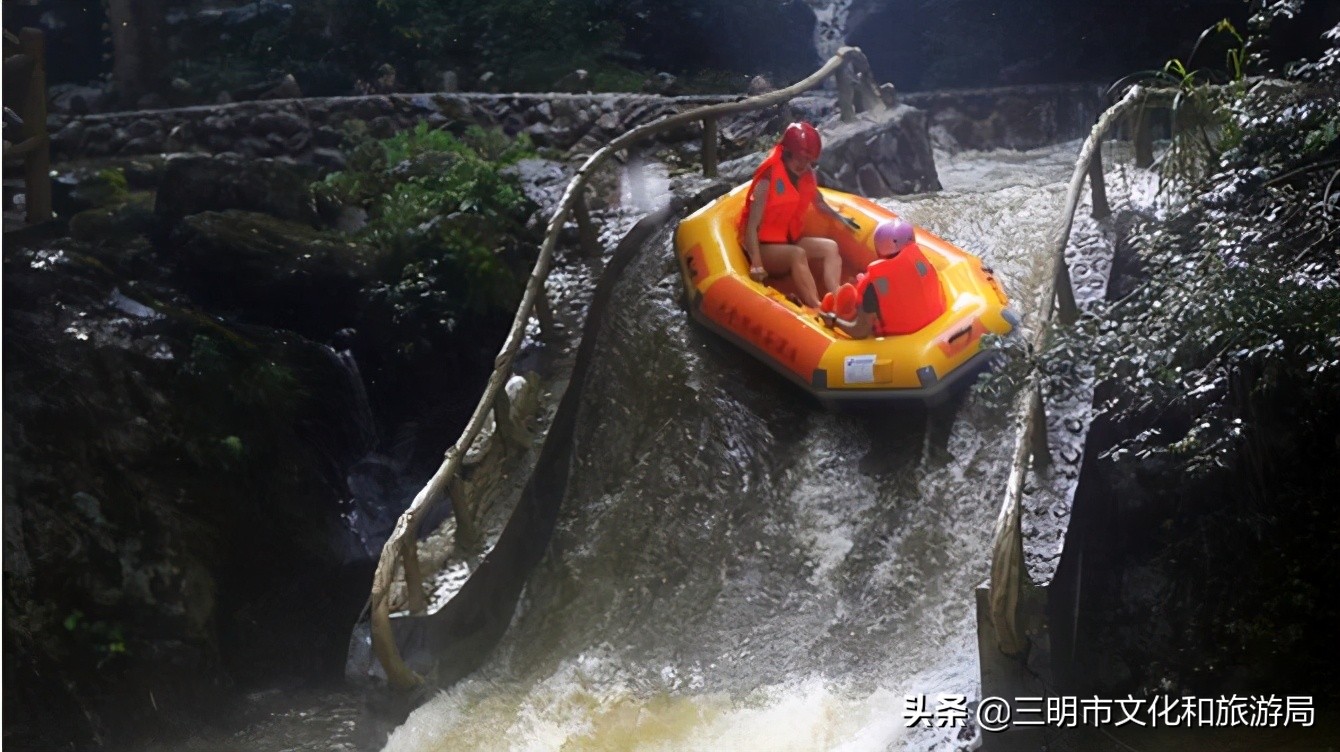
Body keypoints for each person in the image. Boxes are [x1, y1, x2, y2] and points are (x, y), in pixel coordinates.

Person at [740, 122, 861, 309]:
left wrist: (840, 217)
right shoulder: (768, 178)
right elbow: (752, 227)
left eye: (808, 161)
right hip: (764, 248)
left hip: (787, 240)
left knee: (830, 247)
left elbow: (819, 202)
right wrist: (756, 263)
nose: (803, 165)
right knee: (797, 254)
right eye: (799, 159)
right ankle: (818, 307)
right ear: (788, 152)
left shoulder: (806, 174)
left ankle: (837, 297)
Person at [822, 218, 946, 338]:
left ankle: (841, 310)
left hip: (900, 340)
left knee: (858, 306)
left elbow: (860, 331)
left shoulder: (871, 284)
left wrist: (834, 321)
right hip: (936, 326)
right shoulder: (921, 259)